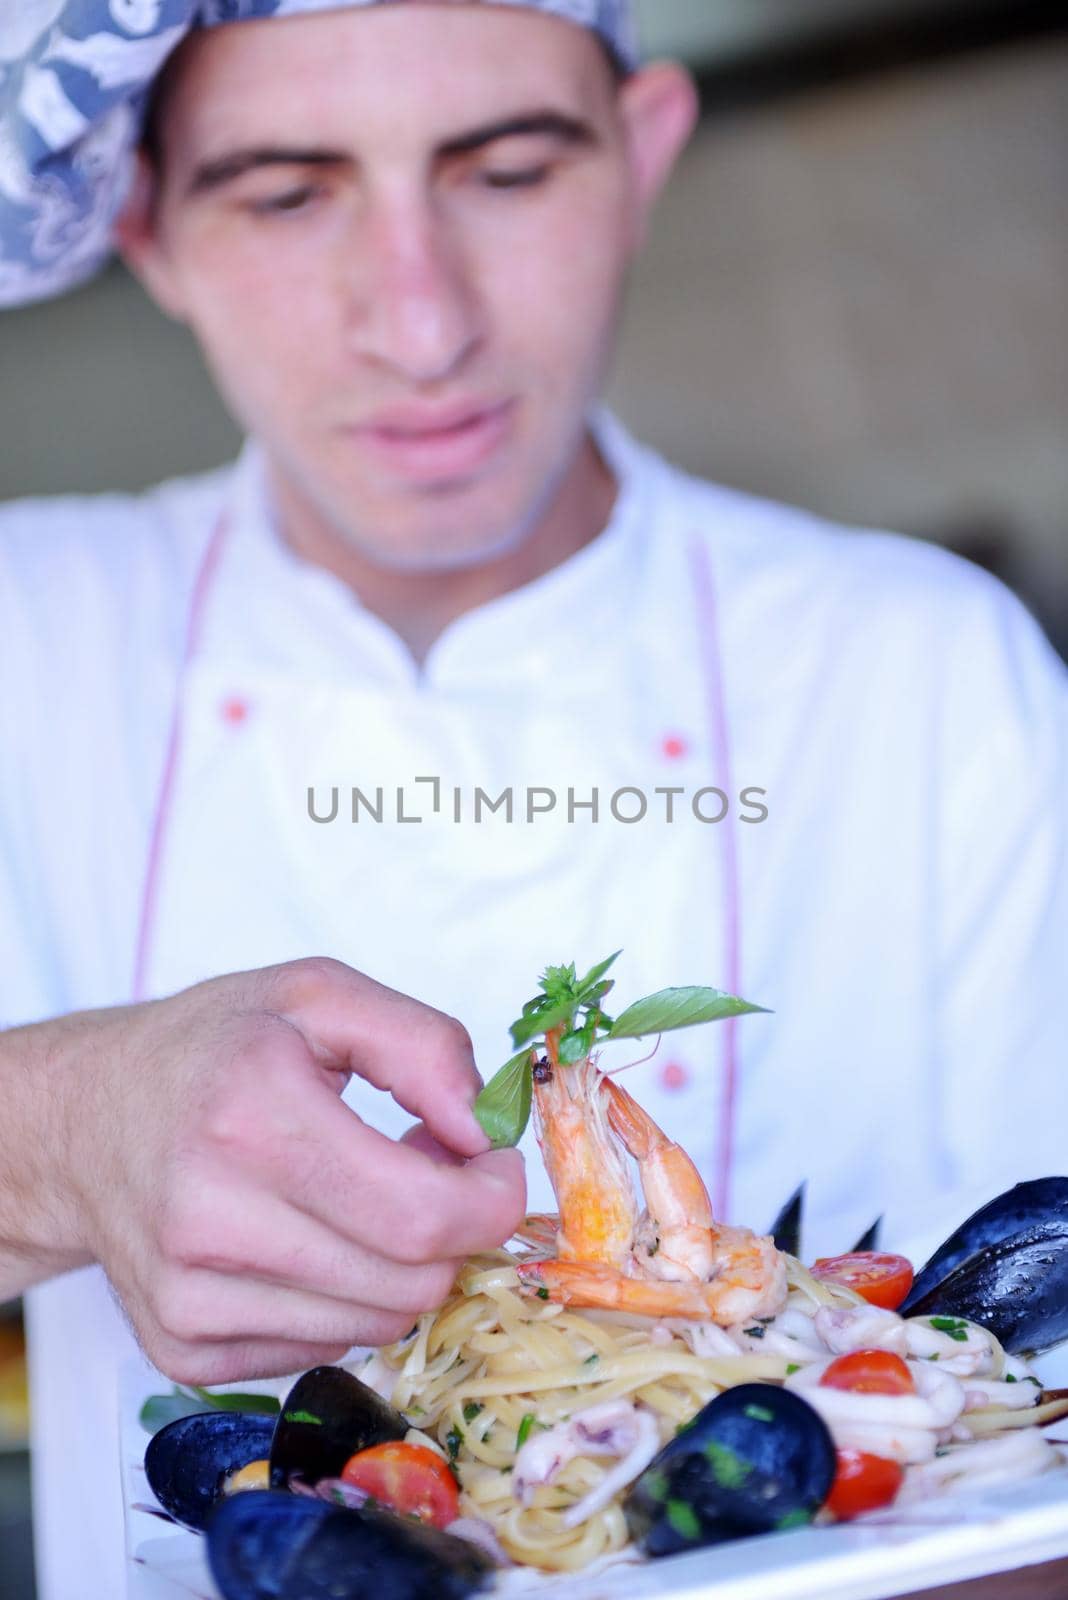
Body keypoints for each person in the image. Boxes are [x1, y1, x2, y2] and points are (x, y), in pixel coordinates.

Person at [0, 2, 1065, 1594]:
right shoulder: (26, 630)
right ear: (150, 229)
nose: (420, 323)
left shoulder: (924, 662)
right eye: (288, 196)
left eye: (505, 171)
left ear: (640, 157)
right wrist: (59, 1131)